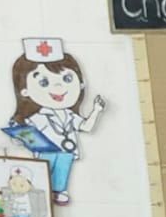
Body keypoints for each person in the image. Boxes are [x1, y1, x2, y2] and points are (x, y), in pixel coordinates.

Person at [8, 37, 105, 206]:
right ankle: (43, 190)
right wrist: (17, 135)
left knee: (62, 173)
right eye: (44, 82)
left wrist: (96, 110)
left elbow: (86, 127)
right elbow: (24, 134)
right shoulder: (38, 117)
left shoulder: (70, 116)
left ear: (81, 84)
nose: (59, 88)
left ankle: (60, 191)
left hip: (66, 152)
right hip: (47, 152)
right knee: (45, 173)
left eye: (67, 79)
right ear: (24, 91)